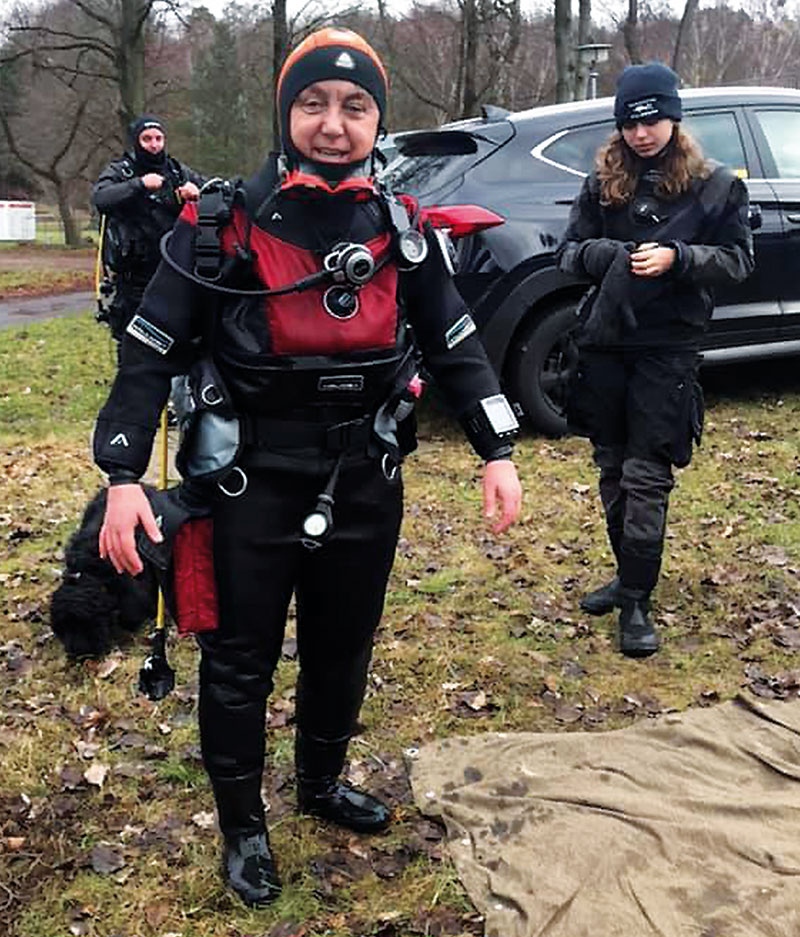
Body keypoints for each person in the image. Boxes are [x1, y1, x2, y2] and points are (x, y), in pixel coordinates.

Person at [92, 28, 522, 907]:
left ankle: (322, 783)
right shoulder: (218, 224)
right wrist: (122, 474)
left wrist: (497, 448)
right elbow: (147, 351)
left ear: (377, 120)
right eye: (314, 104)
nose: (334, 124)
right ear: (287, 114)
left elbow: (456, 340)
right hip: (249, 480)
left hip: (367, 476)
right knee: (239, 659)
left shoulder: (399, 226)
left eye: (355, 107)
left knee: (342, 647)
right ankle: (244, 825)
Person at [557, 63, 753, 658]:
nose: (642, 134)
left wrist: (679, 258)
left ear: (674, 117)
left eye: (652, 120)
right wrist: (611, 255)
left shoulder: (715, 185)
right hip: (606, 340)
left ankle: (637, 599)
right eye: (631, 124)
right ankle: (627, 575)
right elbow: (567, 255)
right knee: (612, 465)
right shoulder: (601, 182)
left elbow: (739, 261)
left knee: (647, 472)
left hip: (669, 347)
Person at [93, 115, 203, 342]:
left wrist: (196, 191)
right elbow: (101, 197)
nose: (154, 145)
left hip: (174, 267)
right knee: (132, 336)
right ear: (136, 141)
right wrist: (139, 184)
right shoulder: (122, 170)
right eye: (147, 139)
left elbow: (214, 186)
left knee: (177, 332)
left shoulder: (176, 171)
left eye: (158, 138)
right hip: (134, 274)